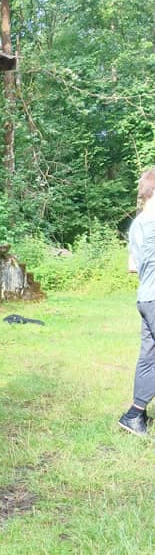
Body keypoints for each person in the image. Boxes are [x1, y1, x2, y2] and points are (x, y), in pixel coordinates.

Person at [118, 166, 155, 437]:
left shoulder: (137, 223)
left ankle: (135, 414)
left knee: (149, 358)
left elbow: (133, 265)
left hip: (145, 297)